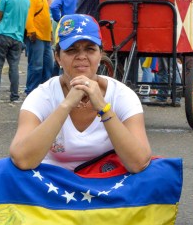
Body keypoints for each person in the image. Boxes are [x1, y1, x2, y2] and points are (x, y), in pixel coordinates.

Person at [10, 13, 151, 171]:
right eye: (71, 50)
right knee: (3, 171)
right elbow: (22, 159)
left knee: (158, 172)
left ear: (100, 55)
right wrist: (66, 105)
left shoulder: (122, 95)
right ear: (58, 57)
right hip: (54, 184)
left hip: (106, 183)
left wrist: (103, 108)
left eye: (90, 49)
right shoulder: (42, 95)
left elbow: (139, 163)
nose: (81, 57)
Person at [24, 0, 54, 95]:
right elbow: (28, 15)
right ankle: (31, 91)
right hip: (36, 37)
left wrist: (51, 33)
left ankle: (45, 92)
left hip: (46, 37)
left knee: (48, 67)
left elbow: (46, 16)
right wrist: (31, 32)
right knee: (36, 66)